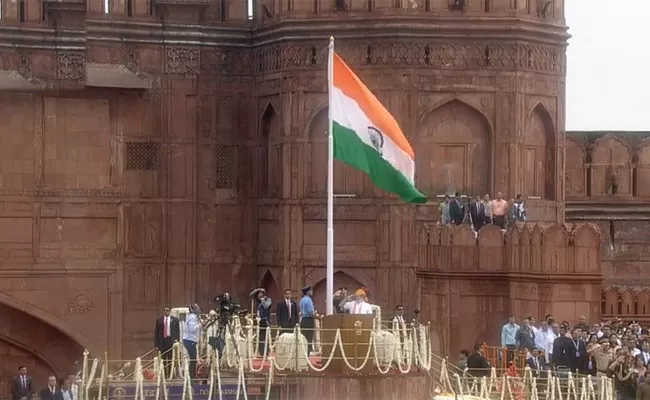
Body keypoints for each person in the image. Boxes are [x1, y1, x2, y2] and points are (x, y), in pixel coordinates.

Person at [154, 305, 180, 378]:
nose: (166, 311)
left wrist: (177, 341)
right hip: (162, 341)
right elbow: (156, 333)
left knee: (170, 358)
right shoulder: (159, 320)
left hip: (170, 341)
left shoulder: (175, 320)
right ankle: (164, 374)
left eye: (167, 310)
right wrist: (156, 345)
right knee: (163, 359)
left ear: (170, 311)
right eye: (165, 310)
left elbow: (177, 332)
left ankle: (170, 374)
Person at [183, 303, 202, 380]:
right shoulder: (192, 317)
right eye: (197, 308)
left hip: (191, 340)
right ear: (193, 309)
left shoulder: (194, 317)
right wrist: (200, 325)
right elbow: (192, 329)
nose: (199, 309)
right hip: (189, 340)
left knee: (193, 360)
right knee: (193, 360)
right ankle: (191, 378)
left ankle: (192, 377)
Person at [251, 288, 272, 356]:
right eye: (258, 294)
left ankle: (266, 352)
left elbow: (266, 306)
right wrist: (256, 290)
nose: (258, 295)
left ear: (263, 294)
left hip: (265, 321)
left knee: (266, 337)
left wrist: (262, 300)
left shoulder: (268, 299)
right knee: (260, 337)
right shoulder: (257, 300)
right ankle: (261, 352)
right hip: (258, 321)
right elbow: (251, 295)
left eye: (260, 293)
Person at [300, 286, 318, 354]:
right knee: (309, 339)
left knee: (303, 340)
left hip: (303, 321)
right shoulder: (309, 300)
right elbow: (311, 313)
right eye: (311, 291)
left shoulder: (302, 300)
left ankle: (303, 356)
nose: (312, 292)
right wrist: (319, 318)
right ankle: (307, 357)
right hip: (309, 321)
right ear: (308, 292)